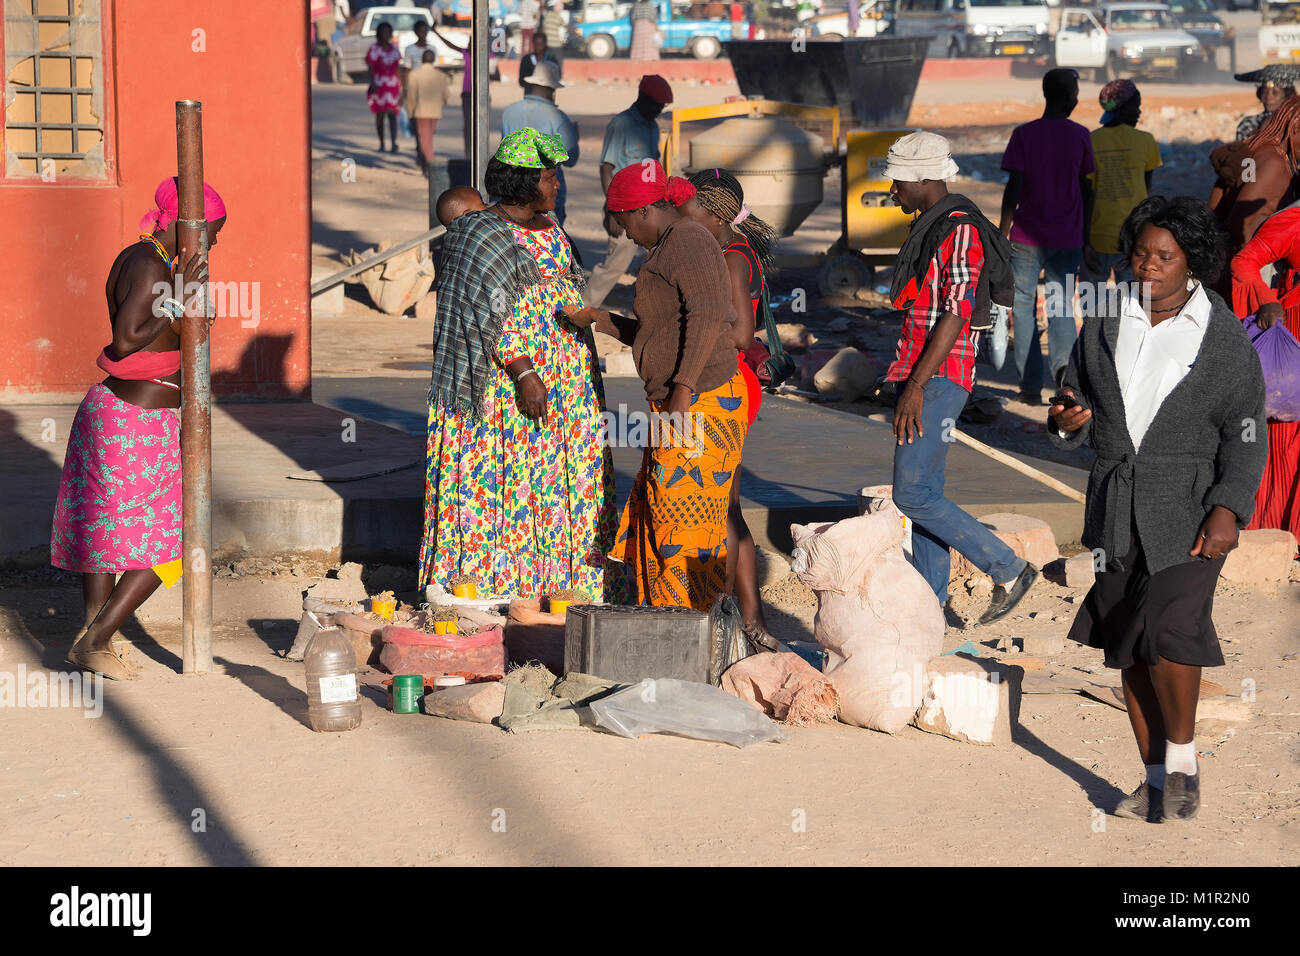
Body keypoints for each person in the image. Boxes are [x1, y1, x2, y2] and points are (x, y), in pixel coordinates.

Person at [1049, 196, 1267, 823]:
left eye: (1164, 257)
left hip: (1190, 508)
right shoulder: (1103, 326)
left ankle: (1183, 768)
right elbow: (1073, 397)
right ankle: (1151, 780)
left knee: (1171, 632)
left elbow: (1247, 431)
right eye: (1141, 254)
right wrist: (1066, 418)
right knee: (1127, 643)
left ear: (1191, 263)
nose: (1148, 267)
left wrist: (1228, 506)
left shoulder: (1223, 341)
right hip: (1115, 506)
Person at [419, 129, 615, 600]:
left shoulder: (553, 229)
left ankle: (561, 588)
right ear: (525, 184)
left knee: (561, 481)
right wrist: (525, 372)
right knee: (505, 483)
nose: (557, 186)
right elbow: (483, 312)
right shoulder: (479, 234)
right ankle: (487, 590)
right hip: (506, 390)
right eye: (550, 178)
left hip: (568, 384)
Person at [52, 177, 227, 681]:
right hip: (135, 425)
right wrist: (180, 299)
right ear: (181, 225)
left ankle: (95, 636)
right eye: (211, 232)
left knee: (107, 534)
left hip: (118, 415)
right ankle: (97, 640)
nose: (212, 243)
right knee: (173, 538)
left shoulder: (142, 257)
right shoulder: (152, 266)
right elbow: (127, 340)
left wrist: (180, 297)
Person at [563, 163, 747, 611]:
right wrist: (601, 320)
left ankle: (691, 626)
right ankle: (667, 621)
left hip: (700, 402)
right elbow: (662, 329)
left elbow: (707, 316)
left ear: (643, 210)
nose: (625, 234)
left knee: (681, 529)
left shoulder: (688, 240)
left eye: (623, 222)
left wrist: (681, 394)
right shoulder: (668, 245)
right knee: (660, 511)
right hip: (678, 403)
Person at [885, 132, 1037, 629]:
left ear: (924, 178)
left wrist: (916, 386)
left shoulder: (959, 230)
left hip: (939, 376)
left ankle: (1009, 569)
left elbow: (956, 312)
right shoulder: (934, 226)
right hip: (923, 372)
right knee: (924, 489)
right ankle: (932, 602)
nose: (892, 191)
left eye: (898, 181)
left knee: (911, 494)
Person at [676, 167, 780, 642]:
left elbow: (740, 333)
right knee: (728, 506)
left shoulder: (732, 257)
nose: (681, 215)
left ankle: (746, 616)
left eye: (688, 208)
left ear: (713, 212)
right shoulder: (725, 248)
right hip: (728, 380)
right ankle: (749, 616)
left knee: (724, 507)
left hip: (730, 382)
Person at [999, 68, 1095, 404]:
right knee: (1060, 306)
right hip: (1067, 236)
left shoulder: (1024, 134)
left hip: (1025, 235)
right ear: (1070, 98)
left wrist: (1002, 229)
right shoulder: (1081, 135)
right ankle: (1064, 377)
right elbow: (1087, 190)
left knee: (1023, 306)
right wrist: (1087, 233)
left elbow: (1014, 186)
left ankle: (1029, 387)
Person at [1230, 200, 1300, 542]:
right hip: (1296, 335)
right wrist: (1264, 299)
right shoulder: (1294, 219)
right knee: (1287, 439)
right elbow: (1244, 262)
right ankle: (1279, 531)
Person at [584, 74, 674, 309]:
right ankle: (582, 307)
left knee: (656, 261)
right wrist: (614, 212)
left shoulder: (653, 128)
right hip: (624, 210)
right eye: (657, 105)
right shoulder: (621, 124)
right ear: (643, 98)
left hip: (649, 210)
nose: (659, 110)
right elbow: (606, 168)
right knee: (615, 264)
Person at [1081, 79, 1161, 315]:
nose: (1139, 111)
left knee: (1092, 308)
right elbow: (1147, 195)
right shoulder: (1145, 141)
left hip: (1097, 237)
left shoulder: (1091, 141)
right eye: (1136, 105)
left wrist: (1084, 240)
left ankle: (1093, 349)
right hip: (1133, 238)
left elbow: (1086, 194)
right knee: (1135, 308)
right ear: (1124, 108)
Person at [1209, 96, 1300, 261]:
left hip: (1225, 254)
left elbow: (1219, 201)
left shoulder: (1253, 151)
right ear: (1295, 129)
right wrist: (1252, 263)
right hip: (1251, 261)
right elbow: (1240, 220)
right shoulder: (1274, 162)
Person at [501, 61, 578, 225]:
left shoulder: (509, 112)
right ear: (552, 89)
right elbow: (571, 159)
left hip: (512, 188)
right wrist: (575, 136)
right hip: (546, 193)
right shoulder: (557, 116)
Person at [432, 22, 500, 161]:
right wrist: (436, 33)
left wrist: (487, 72)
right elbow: (449, 45)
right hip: (468, 94)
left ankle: (481, 154)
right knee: (468, 126)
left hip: (482, 95)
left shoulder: (489, 57)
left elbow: (497, 76)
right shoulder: (467, 53)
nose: (470, 44)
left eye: (472, 42)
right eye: (469, 42)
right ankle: (468, 155)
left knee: (482, 125)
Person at [405, 49, 451, 175]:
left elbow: (411, 96)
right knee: (428, 139)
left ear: (422, 59)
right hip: (435, 112)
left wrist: (410, 111)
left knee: (425, 142)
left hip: (421, 112)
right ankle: (426, 168)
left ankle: (432, 166)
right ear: (433, 59)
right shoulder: (441, 75)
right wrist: (443, 100)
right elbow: (446, 94)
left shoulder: (414, 74)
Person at [1234, 67, 1298, 141]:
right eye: (1264, 92)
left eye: (1275, 93)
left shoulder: (1295, 123)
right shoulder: (1248, 124)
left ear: (1287, 95)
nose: (1268, 97)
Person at [366, 21, 403, 153]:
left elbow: (398, 67)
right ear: (379, 33)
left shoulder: (394, 48)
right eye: (383, 31)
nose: (386, 34)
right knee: (380, 115)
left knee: (392, 114)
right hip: (379, 84)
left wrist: (402, 85)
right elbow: (370, 66)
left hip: (393, 85)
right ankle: (382, 143)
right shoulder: (374, 48)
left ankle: (393, 143)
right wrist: (372, 82)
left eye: (388, 31)